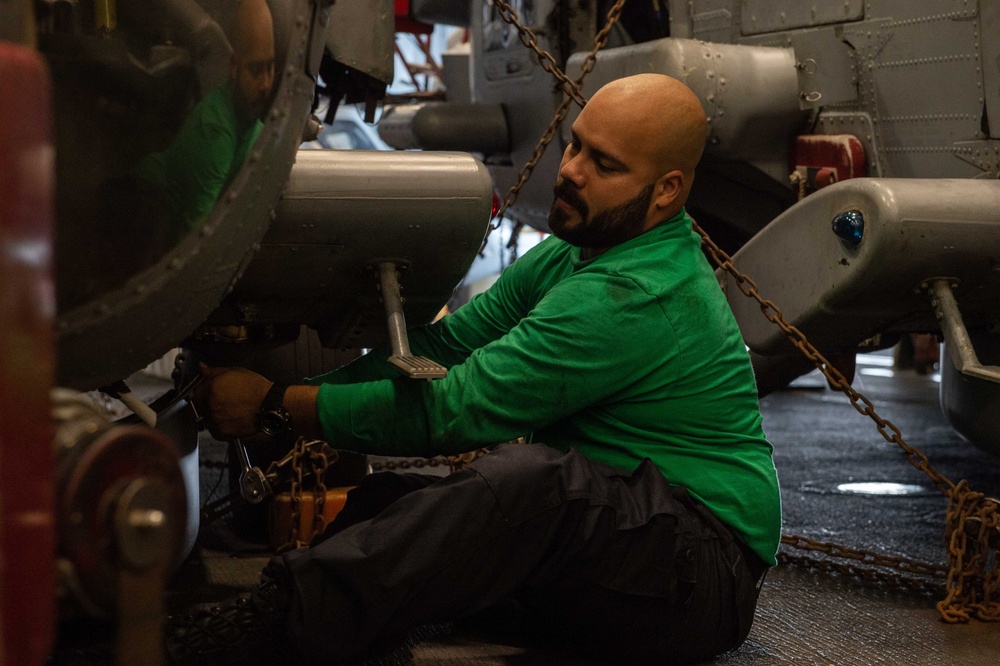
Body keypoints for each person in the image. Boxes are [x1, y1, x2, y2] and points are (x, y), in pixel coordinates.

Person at [176, 73, 781, 665]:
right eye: (574, 143)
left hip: (700, 574)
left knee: (530, 483)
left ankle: (270, 622)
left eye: (605, 164)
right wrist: (296, 397)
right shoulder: (571, 255)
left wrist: (276, 405)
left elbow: (454, 409)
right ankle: (322, 617)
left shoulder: (637, 292)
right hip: (615, 541)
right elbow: (441, 351)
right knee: (393, 502)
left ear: (668, 190)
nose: (570, 169)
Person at [132, 0, 275, 234]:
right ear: (234, 68)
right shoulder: (216, 133)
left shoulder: (249, 119)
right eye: (256, 70)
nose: (266, 84)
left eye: (271, 68)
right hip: (140, 207)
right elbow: (196, 235)